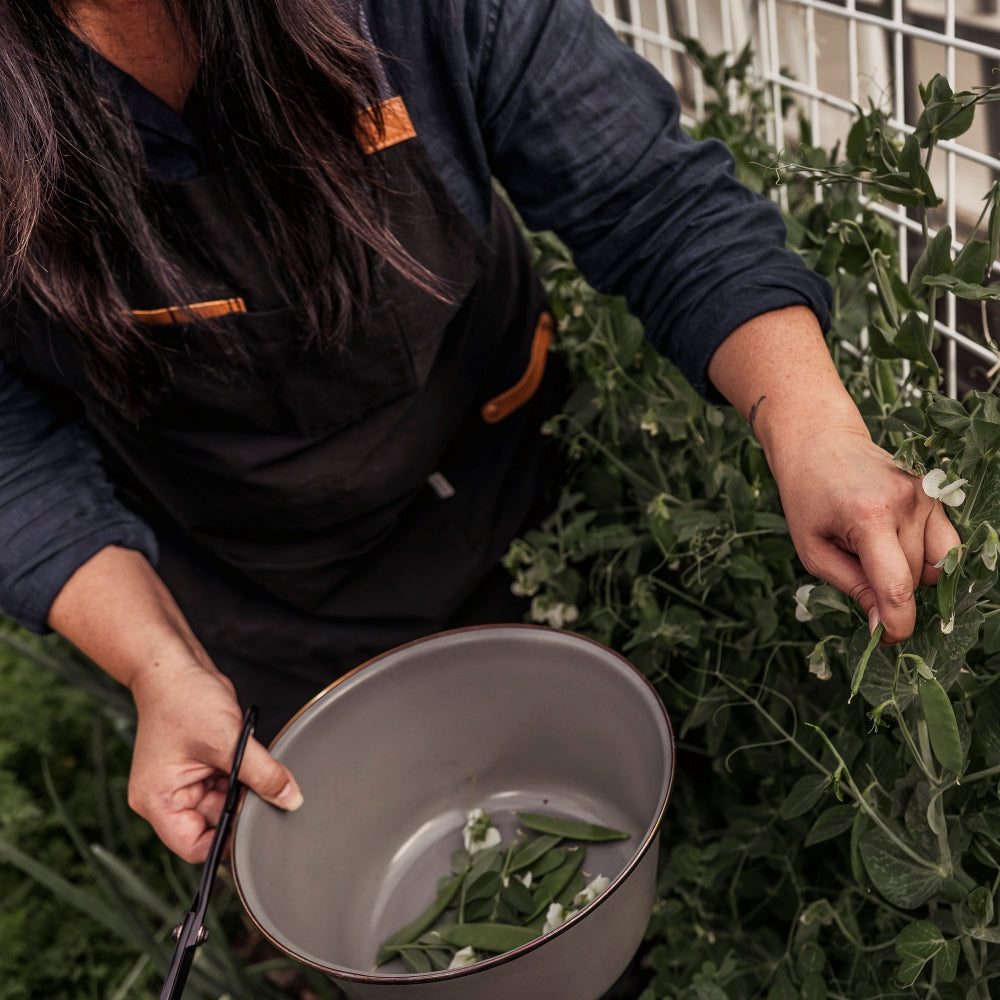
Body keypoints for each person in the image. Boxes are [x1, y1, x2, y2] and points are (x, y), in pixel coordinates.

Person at [0, 0, 959, 865]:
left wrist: (812, 427)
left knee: (625, 834)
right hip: (261, 581)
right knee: (391, 874)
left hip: (526, 481)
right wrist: (158, 665)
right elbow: (10, 449)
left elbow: (651, 202)